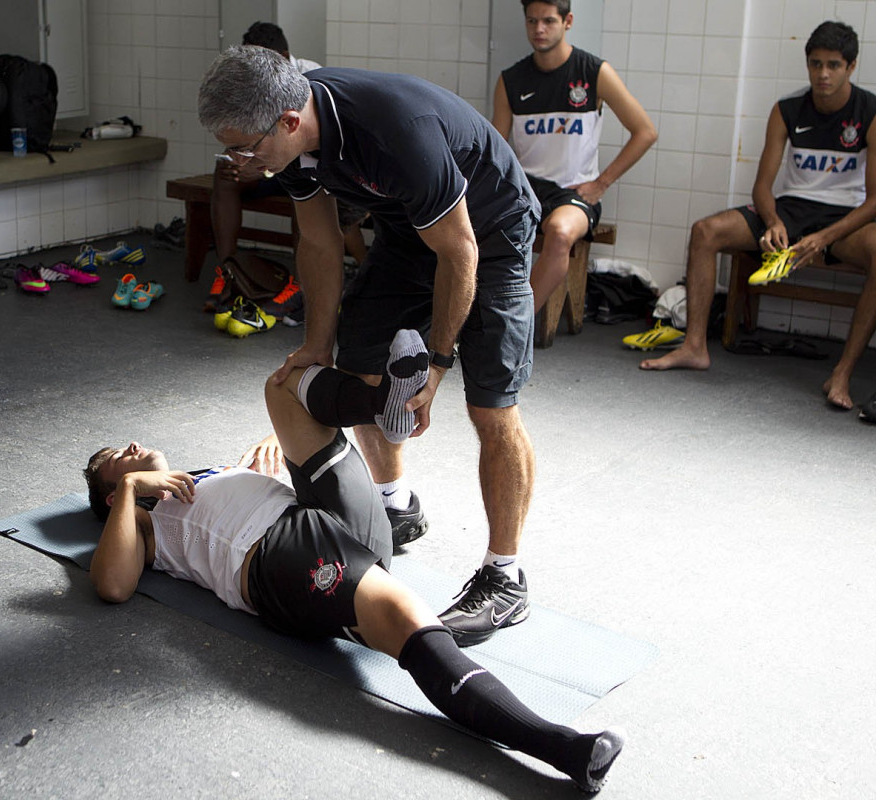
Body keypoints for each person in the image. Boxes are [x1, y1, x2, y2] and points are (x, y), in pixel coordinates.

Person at [84, 330, 625, 793]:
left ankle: (390, 407)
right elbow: (111, 584)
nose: (129, 446)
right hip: (282, 555)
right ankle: (563, 749)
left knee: (281, 387)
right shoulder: (145, 524)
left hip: (321, 514)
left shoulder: (202, 476)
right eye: (116, 460)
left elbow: (283, 453)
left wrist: (286, 440)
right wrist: (133, 488)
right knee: (410, 622)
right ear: (113, 497)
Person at [198, 46, 541, 645]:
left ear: (287, 120)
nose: (240, 162)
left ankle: (505, 577)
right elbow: (320, 242)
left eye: (245, 148)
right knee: (358, 361)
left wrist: (436, 364)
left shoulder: (395, 131)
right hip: (413, 227)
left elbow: (460, 252)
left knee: (491, 405)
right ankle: (395, 504)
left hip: (490, 228)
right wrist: (314, 345)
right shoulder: (293, 143)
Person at [641, 21, 876, 412]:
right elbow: (762, 187)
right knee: (706, 231)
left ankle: (843, 372)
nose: (823, 74)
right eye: (815, 64)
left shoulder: (870, 111)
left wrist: (824, 238)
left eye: (833, 65)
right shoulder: (786, 110)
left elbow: (875, 200)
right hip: (792, 208)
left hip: (846, 218)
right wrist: (773, 221)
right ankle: (694, 346)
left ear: (851, 67)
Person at [492, 0, 656, 310]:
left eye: (548, 21)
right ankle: (471, 318)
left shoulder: (593, 72)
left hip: (572, 193)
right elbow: (495, 145)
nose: (539, 29)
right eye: (532, 21)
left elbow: (645, 132)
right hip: (526, 189)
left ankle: (518, 323)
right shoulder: (510, 80)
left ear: (567, 21)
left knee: (560, 232)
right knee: (469, 222)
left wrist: (602, 183)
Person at [205, 22, 367, 319]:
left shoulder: (308, 78)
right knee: (224, 173)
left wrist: (260, 168)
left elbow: (305, 149)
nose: (257, 75)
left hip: (295, 167)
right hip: (267, 166)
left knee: (305, 191)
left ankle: (300, 286)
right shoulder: (246, 85)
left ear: (284, 56)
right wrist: (245, 162)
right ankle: (226, 270)